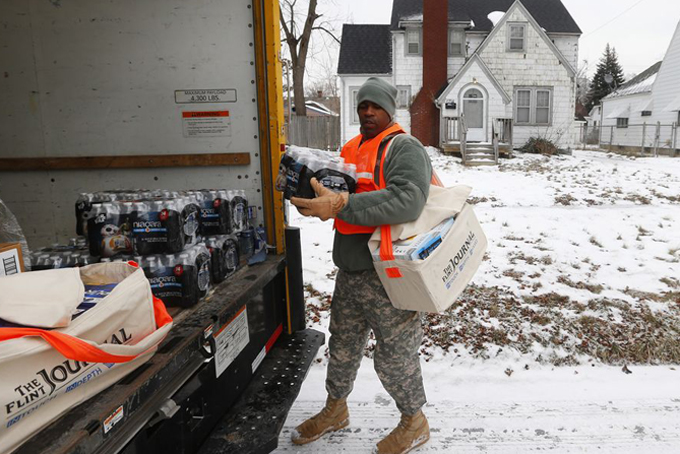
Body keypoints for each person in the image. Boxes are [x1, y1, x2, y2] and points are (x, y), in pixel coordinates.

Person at [290, 77, 433, 454]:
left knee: (395, 355)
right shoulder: (352, 147)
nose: (367, 112)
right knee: (343, 345)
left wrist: (341, 205)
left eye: (376, 106)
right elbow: (340, 191)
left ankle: (414, 422)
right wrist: (313, 197)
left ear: (390, 109)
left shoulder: (405, 147)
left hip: (390, 273)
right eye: (362, 105)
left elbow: (409, 200)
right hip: (351, 268)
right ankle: (336, 409)